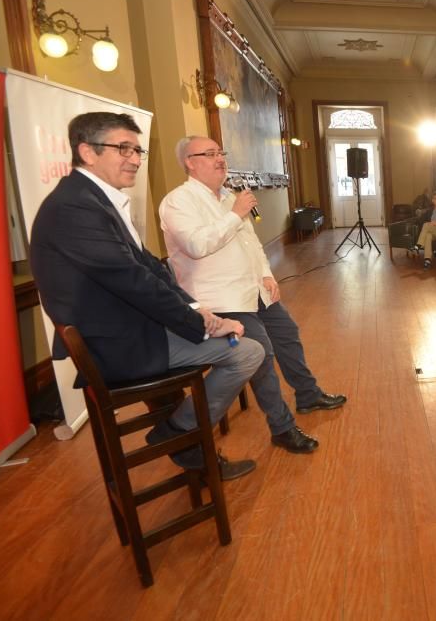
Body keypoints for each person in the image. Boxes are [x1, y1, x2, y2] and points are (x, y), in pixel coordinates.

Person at [29, 112, 263, 480]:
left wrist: (198, 309)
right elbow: (134, 281)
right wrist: (203, 325)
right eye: (123, 149)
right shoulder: (75, 207)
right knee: (247, 351)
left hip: (132, 328)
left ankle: (183, 434)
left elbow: (150, 268)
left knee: (240, 343)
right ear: (87, 152)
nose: (136, 159)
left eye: (138, 150)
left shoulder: (95, 199)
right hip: (117, 343)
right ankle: (180, 436)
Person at [160, 135, 347, 456]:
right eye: (210, 154)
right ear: (190, 162)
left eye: (221, 152)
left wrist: (266, 273)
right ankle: (283, 428)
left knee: (287, 334)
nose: (220, 159)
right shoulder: (179, 201)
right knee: (261, 356)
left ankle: (307, 393)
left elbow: (251, 243)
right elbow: (196, 245)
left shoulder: (228, 196)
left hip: (253, 289)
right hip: (221, 299)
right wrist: (234, 214)